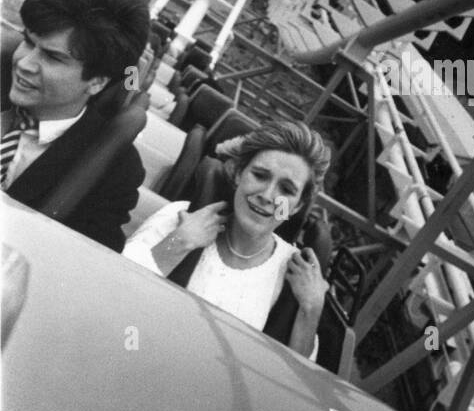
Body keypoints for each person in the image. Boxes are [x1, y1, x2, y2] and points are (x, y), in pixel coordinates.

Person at [123, 123, 331, 361]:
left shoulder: (297, 279)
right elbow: (115, 286)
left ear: (297, 207)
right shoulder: (181, 218)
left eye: (286, 189)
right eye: (260, 176)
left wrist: (311, 309)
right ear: (239, 174)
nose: (267, 195)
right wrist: (178, 242)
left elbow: (294, 381)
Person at [1, 0, 151, 251]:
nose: (24, 63)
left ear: (98, 82)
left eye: (52, 57)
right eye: (27, 41)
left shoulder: (115, 171)